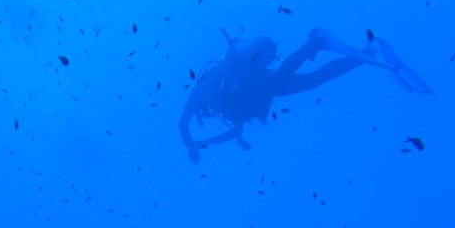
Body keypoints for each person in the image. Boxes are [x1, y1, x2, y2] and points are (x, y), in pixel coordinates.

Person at [179, 28, 433, 164]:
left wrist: (194, 144)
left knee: (285, 79)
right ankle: (362, 56)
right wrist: (201, 144)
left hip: (247, 81)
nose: (204, 114)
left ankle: (313, 44)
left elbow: (182, 124)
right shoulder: (218, 106)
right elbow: (236, 131)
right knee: (313, 81)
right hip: (253, 91)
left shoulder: (198, 92)